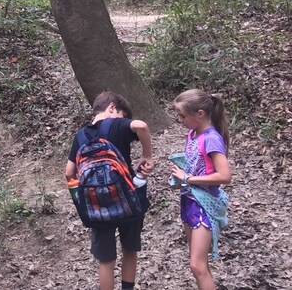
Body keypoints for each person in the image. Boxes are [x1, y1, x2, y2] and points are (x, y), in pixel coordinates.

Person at [65, 90, 154, 290]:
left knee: (106, 261)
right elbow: (141, 126)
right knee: (129, 250)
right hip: (128, 200)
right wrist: (147, 156)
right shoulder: (116, 124)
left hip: (97, 206)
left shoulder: (81, 136)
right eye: (122, 116)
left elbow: (69, 172)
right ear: (112, 108)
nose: (123, 121)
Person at [169, 89, 231, 290]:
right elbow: (196, 164)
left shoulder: (211, 138)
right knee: (199, 265)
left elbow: (224, 176)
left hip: (205, 205)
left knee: (197, 266)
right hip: (188, 201)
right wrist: (181, 177)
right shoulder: (192, 134)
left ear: (200, 114)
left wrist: (188, 178)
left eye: (182, 115)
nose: (179, 119)